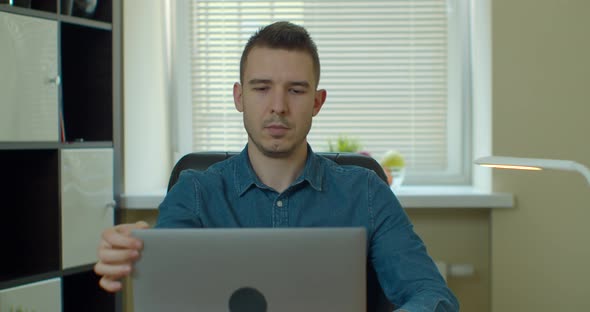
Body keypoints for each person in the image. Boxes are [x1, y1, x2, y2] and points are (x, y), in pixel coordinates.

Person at [94, 21, 459, 311]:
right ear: (240, 97)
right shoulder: (194, 193)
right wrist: (138, 253)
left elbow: (433, 296)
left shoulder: (366, 192)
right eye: (262, 88)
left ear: (317, 102)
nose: (278, 107)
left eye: (296, 91)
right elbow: (167, 284)